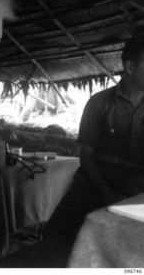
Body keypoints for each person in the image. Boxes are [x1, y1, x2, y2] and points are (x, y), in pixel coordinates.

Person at [44, 36, 144, 247]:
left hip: (137, 184)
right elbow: (86, 156)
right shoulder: (99, 103)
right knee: (56, 236)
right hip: (95, 182)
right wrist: (107, 193)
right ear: (130, 67)